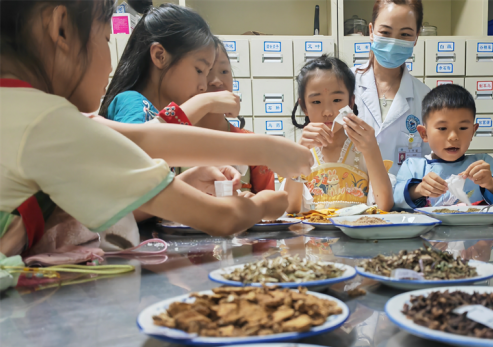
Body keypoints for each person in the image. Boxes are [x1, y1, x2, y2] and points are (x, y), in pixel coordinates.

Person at [0, 0, 311, 256]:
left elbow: (144, 137)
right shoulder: (47, 122)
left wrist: (262, 148)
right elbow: (223, 217)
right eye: (107, 39)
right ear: (61, 28)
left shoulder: (24, 110)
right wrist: (264, 203)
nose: (111, 65)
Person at [101, 4, 242, 190]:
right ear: (160, 56)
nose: (203, 85)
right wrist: (205, 103)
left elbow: (152, 196)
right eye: (199, 70)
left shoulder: (157, 115)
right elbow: (140, 160)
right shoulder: (131, 102)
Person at [285, 55, 394, 214]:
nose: (328, 112)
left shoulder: (363, 149)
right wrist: (299, 154)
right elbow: (290, 208)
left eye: (337, 100)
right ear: (304, 107)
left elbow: (385, 205)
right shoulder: (300, 151)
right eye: (316, 102)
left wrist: (372, 150)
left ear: (351, 102)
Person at [393, 84, 493, 210]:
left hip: (476, 234)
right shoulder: (413, 167)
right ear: (424, 133)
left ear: (473, 132)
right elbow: (393, 202)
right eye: (442, 128)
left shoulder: (483, 165)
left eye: (463, 128)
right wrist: (418, 189)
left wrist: (491, 183)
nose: (453, 137)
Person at [354, 0, 430, 176]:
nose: (393, 42)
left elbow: (430, 162)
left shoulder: (425, 97)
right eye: (386, 32)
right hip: (351, 199)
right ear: (371, 31)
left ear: (416, 37)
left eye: (405, 34)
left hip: (402, 200)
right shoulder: (344, 86)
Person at [195, 37, 274, 195]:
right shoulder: (173, 141)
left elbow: (272, 207)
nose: (217, 81)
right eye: (206, 71)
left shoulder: (253, 145)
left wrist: (256, 203)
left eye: (224, 71)